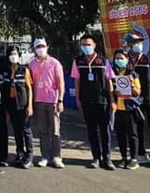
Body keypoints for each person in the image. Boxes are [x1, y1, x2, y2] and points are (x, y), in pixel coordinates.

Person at [71, 33, 114, 170]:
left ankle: (107, 159)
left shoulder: (103, 60)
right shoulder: (78, 61)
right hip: (87, 100)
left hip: (102, 100)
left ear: (95, 45)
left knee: (105, 130)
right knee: (91, 130)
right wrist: (78, 99)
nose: (86, 47)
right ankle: (96, 157)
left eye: (88, 44)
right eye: (83, 45)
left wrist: (112, 100)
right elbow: (77, 81)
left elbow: (109, 81)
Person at [126, 31, 150, 168]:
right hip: (133, 99)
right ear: (129, 45)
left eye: (139, 42)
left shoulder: (149, 60)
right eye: (134, 43)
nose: (138, 45)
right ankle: (140, 154)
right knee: (137, 128)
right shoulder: (125, 61)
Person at [29, 38, 65, 169]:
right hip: (39, 101)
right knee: (43, 131)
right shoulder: (31, 64)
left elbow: (61, 83)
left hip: (53, 101)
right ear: (34, 49)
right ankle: (45, 156)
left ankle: (56, 156)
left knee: (55, 131)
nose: (41, 49)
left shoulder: (54, 63)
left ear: (47, 47)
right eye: (38, 47)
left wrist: (60, 100)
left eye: (43, 46)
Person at [111, 49, 142, 169]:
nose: (119, 60)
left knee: (132, 134)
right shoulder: (113, 73)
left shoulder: (132, 74)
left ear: (127, 59)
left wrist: (131, 86)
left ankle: (134, 159)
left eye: (121, 58)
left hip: (130, 108)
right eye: (117, 58)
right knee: (120, 134)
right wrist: (115, 92)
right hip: (118, 109)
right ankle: (123, 157)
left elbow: (138, 92)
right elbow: (110, 89)